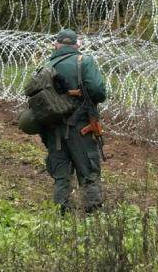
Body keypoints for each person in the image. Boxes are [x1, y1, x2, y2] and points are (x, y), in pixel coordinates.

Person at [40, 29, 107, 215]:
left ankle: (63, 214)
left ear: (56, 45)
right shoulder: (84, 61)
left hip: (53, 129)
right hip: (81, 128)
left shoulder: (47, 65)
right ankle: (92, 214)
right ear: (77, 45)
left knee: (61, 175)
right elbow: (99, 92)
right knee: (89, 172)